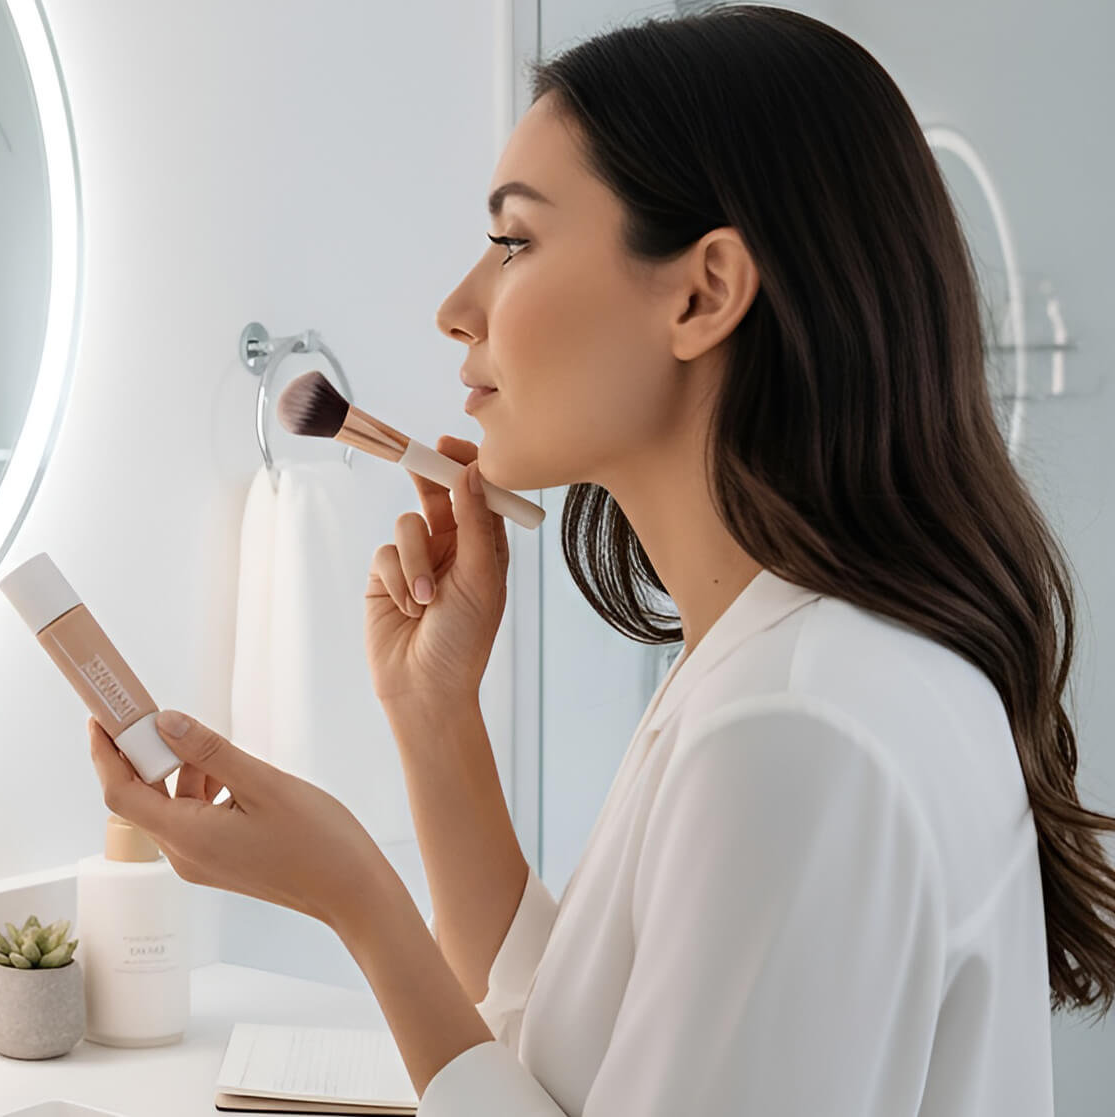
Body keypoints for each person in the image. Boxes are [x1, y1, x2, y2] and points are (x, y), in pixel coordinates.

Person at [90, 7, 1113, 1114]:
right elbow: (572, 1054)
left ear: (701, 291)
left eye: (514, 240)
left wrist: (354, 896)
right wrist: (435, 721)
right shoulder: (781, 663)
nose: (453, 309)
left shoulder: (793, 726)